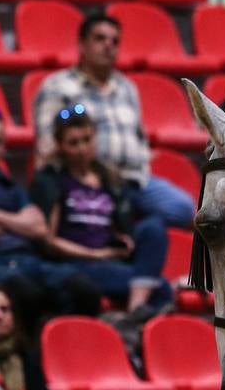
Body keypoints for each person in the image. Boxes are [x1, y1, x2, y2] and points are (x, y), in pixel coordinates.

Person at [0, 107, 100, 321]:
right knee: (25, 292)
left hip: (27, 261)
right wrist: (17, 223)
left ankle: (64, 346)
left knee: (82, 288)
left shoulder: (10, 186)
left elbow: (39, 228)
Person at [32, 14, 195, 228]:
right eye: (100, 38)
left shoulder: (127, 87)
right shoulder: (56, 86)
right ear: (81, 45)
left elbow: (139, 136)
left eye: (114, 41)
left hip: (133, 180)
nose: (108, 45)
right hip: (88, 181)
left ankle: (127, 221)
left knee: (184, 209)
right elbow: (47, 145)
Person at [29, 105, 174, 318]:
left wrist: (122, 239)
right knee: (160, 289)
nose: (82, 148)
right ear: (60, 145)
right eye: (73, 143)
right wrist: (95, 254)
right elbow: (48, 241)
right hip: (77, 263)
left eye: (87, 140)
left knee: (154, 227)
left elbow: (117, 224)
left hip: (111, 257)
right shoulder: (51, 180)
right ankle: (136, 312)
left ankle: (133, 312)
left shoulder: (109, 178)